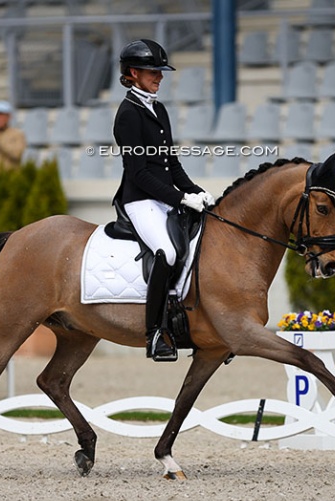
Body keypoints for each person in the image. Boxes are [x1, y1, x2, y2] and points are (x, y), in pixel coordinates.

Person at [112, 39, 215, 362]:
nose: (159, 77)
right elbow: (139, 173)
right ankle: (155, 332)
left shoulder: (158, 108)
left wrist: (196, 191)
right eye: (152, 71)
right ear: (133, 73)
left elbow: (171, 164)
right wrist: (181, 198)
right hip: (140, 200)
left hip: (164, 197)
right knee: (167, 252)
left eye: (160, 71)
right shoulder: (128, 114)